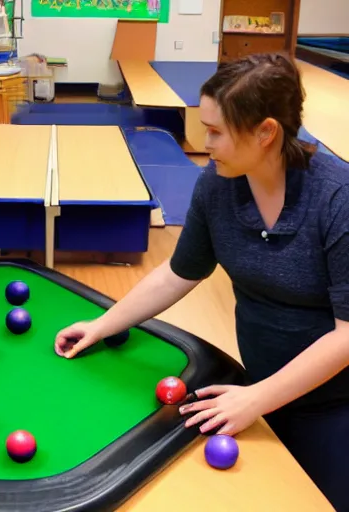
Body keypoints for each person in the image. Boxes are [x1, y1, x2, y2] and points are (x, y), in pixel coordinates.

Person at [54, 53, 349, 511]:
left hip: (333, 406)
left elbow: (347, 337)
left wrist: (257, 399)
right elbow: (179, 271)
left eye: (215, 131)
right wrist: (103, 324)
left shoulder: (337, 200)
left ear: (266, 132)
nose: (202, 141)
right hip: (254, 390)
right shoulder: (217, 184)